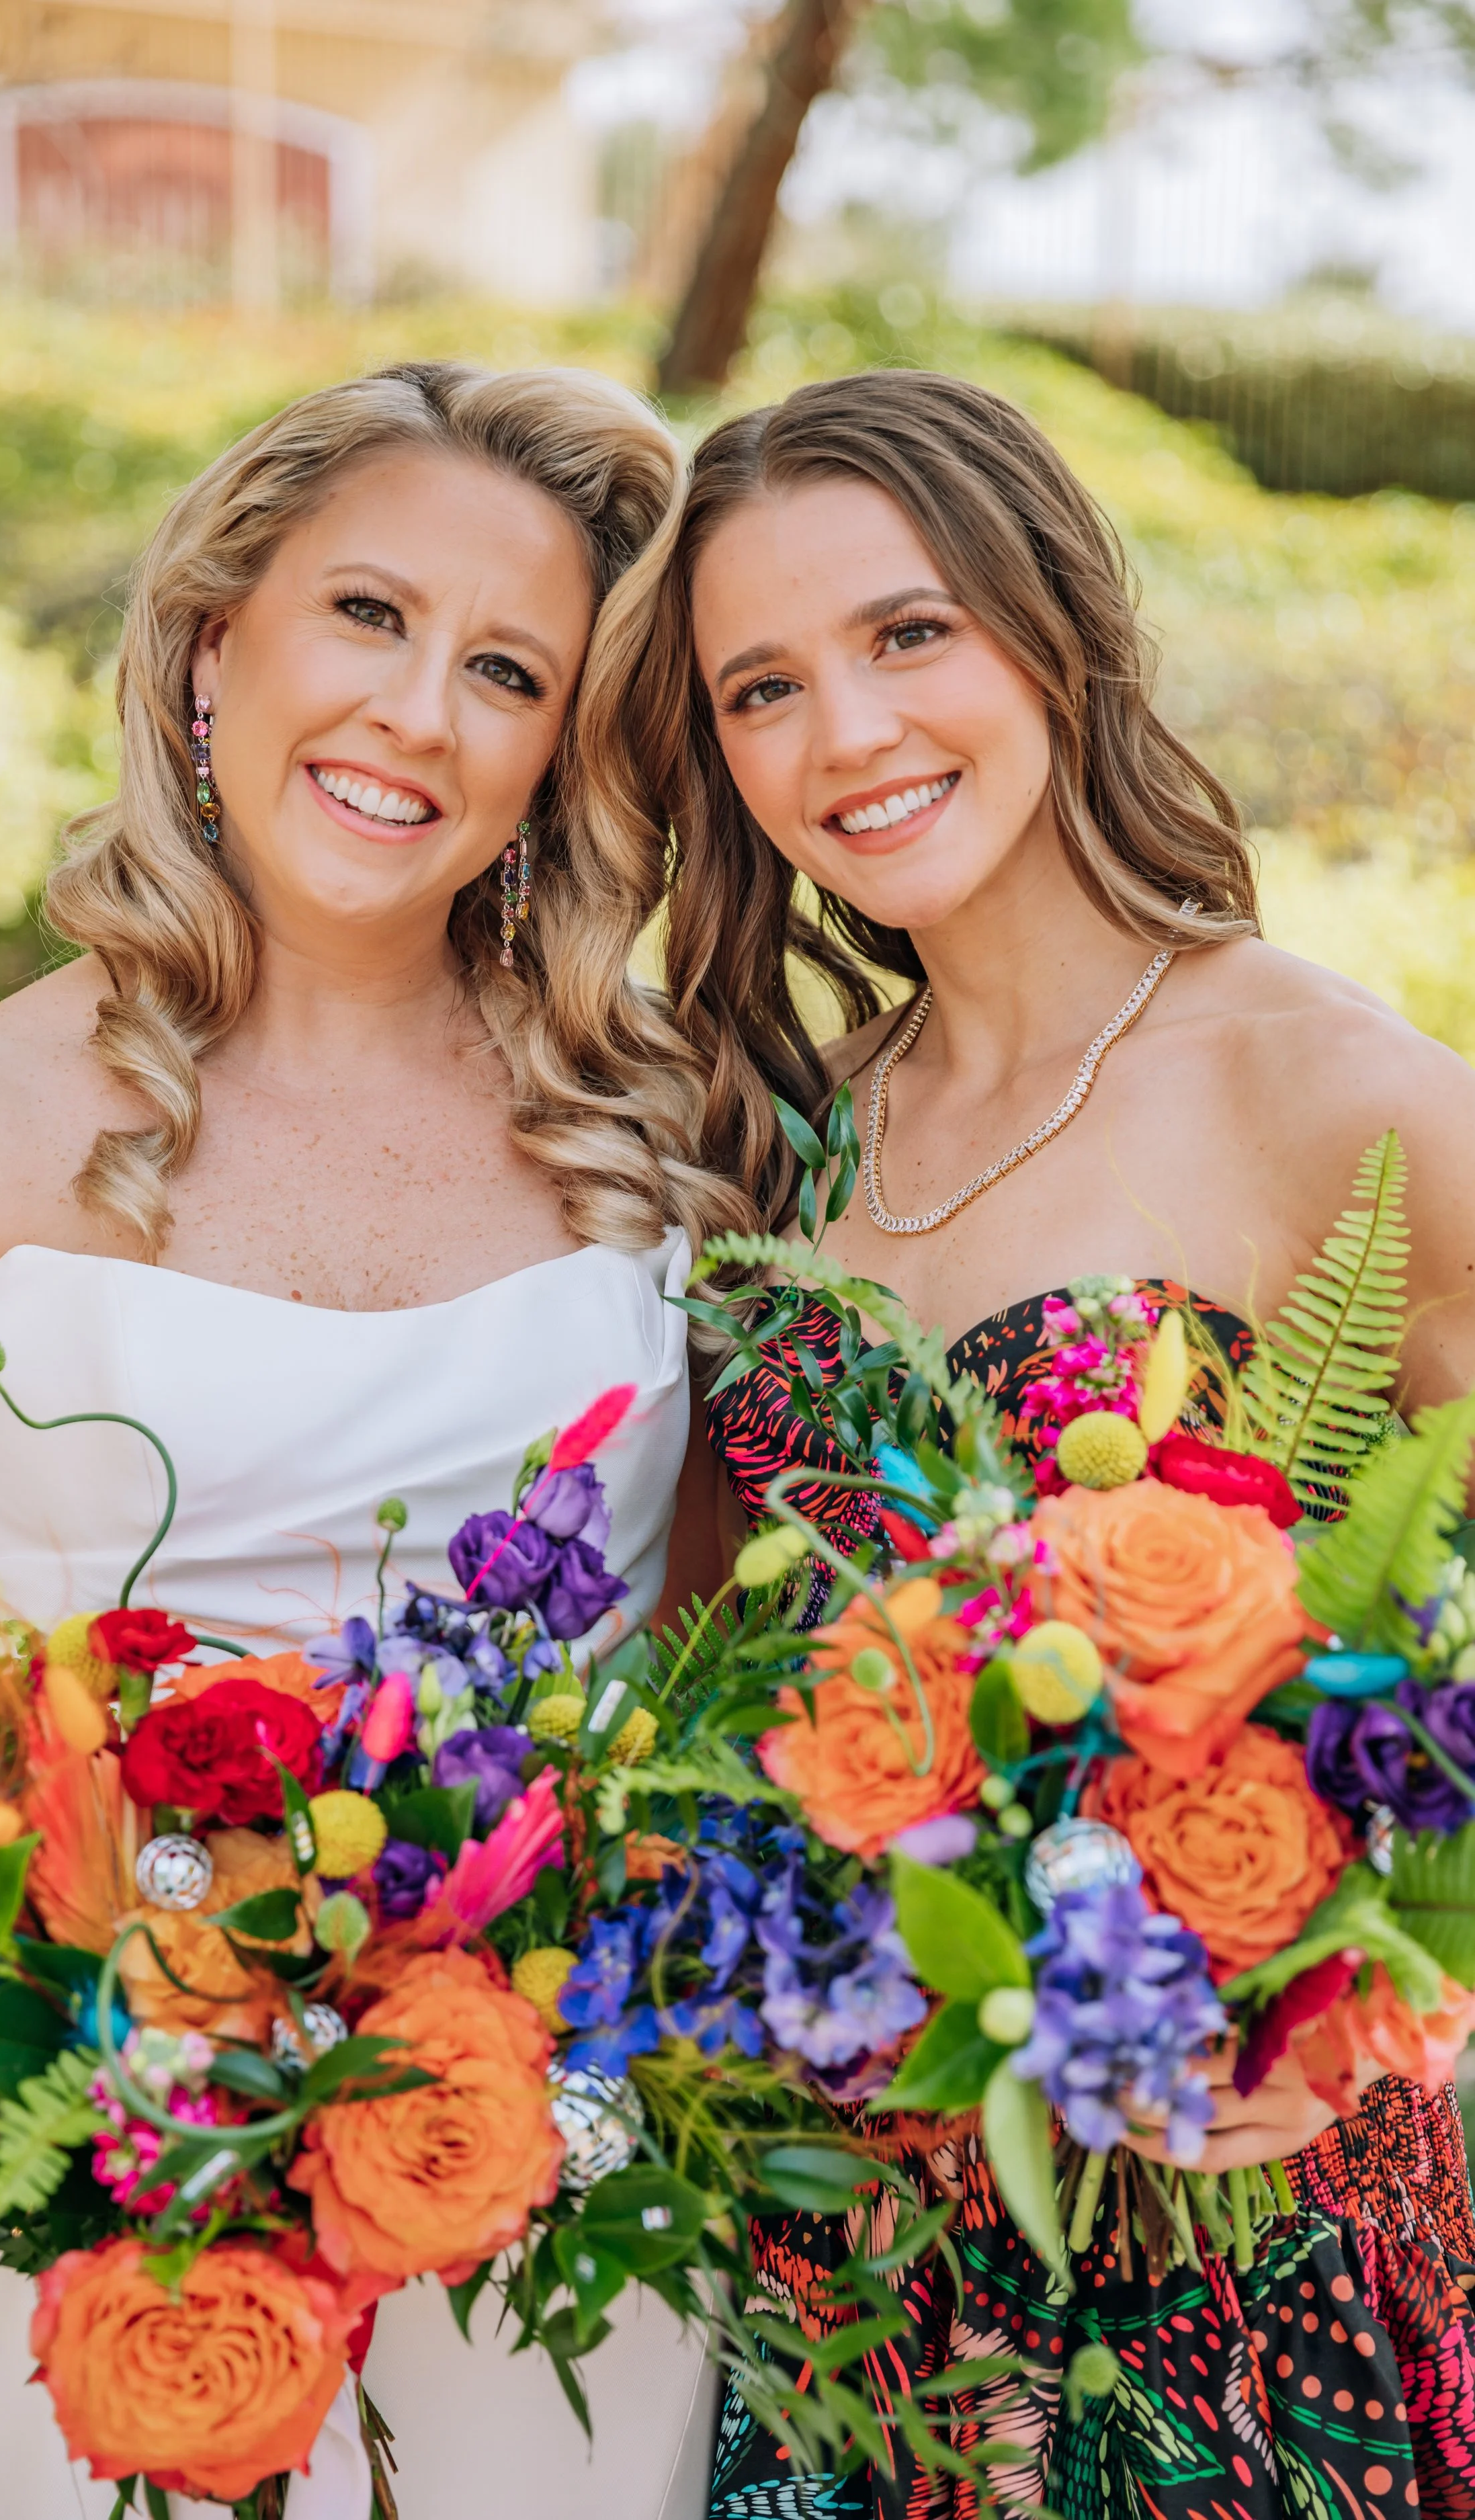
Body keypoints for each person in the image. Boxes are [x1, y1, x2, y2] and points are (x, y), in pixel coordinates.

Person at [0, 361, 739, 2520]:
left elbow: (701, 1703)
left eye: (506, 669)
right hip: (66, 2197)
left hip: (550, 2215)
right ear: (218, 636)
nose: (417, 713)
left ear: (560, 753)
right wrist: (98, 2049)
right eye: (366, 616)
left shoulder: (677, 1133)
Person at [585, 366, 1475, 2520]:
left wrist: (1389, 1992)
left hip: (1243, 2252)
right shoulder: (781, 1148)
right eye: (761, 687)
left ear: (1050, 624)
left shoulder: (1327, 1087)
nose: (849, 735)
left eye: (909, 635)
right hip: (857, 2279)